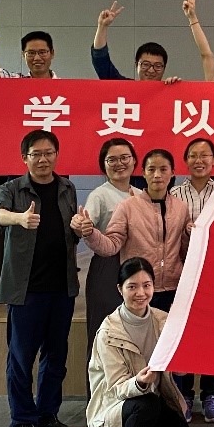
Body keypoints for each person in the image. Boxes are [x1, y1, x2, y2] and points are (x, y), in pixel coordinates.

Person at [73, 148, 196, 408]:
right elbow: (111, 246)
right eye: (151, 169)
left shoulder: (181, 208)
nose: (157, 175)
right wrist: (90, 233)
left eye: (163, 169)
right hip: (141, 293)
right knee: (142, 354)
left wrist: (190, 235)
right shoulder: (128, 206)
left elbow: (184, 252)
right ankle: (140, 406)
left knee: (172, 351)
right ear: (143, 173)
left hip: (172, 290)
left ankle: (175, 405)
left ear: (173, 173)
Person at [0, 129, 81, 427]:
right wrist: (18, 219)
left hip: (62, 286)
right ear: (24, 158)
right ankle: (22, 420)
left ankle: (47, 414)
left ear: (57, 155)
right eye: (36, 154)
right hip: (25, 290)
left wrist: (81, 228)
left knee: (56, 356)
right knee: (21, 358)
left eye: (48, 153)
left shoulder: (67, 188)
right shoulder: (12, 188)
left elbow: (70, 232)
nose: (43, 159)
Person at [87, 257, 201, 427]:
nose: (140, 293)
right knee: (145, 403)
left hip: (155, 405)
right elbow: (117, 388)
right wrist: (139, 382)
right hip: (114, 409)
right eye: (132, 286)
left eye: (146, 285)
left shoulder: (163, 320)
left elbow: (178, 366)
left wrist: (183, 364)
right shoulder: (108, 332)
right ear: (120, 289)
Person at [168, 137, 214, 422]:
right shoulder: (175, 194)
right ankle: (186, 394)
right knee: (185, 333)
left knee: (213, 335)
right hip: (184, 273)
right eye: (193, 155)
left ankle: (211, 395)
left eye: (205, 155)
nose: (199, 160)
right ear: (185, 161)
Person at [84, 138, 141, 359]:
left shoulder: (141, 195)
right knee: (103, 331)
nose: (119, 164)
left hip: (136, 267)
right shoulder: (99, 195)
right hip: (107, 267)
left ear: (134, 161)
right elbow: (86, 224)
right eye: (112, 160)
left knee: (134, 332)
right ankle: (99, 382)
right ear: (104, 165)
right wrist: (82, 226)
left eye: (125, 158)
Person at [90, 0, 180, 83]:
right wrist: (102, 26)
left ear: (164, 68)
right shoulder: (126, 88)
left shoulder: (169, 90)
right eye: (146, 64)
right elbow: (101, 61)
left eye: (158, 66)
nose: (151, 70)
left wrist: (175, 89)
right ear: (137, 65)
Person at [0, 0, 57, 79]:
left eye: (42, 52)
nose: (37, 58)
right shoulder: (14, 82)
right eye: (31, 53)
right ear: (23, 55)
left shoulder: (64, 86)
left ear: (52, 53)